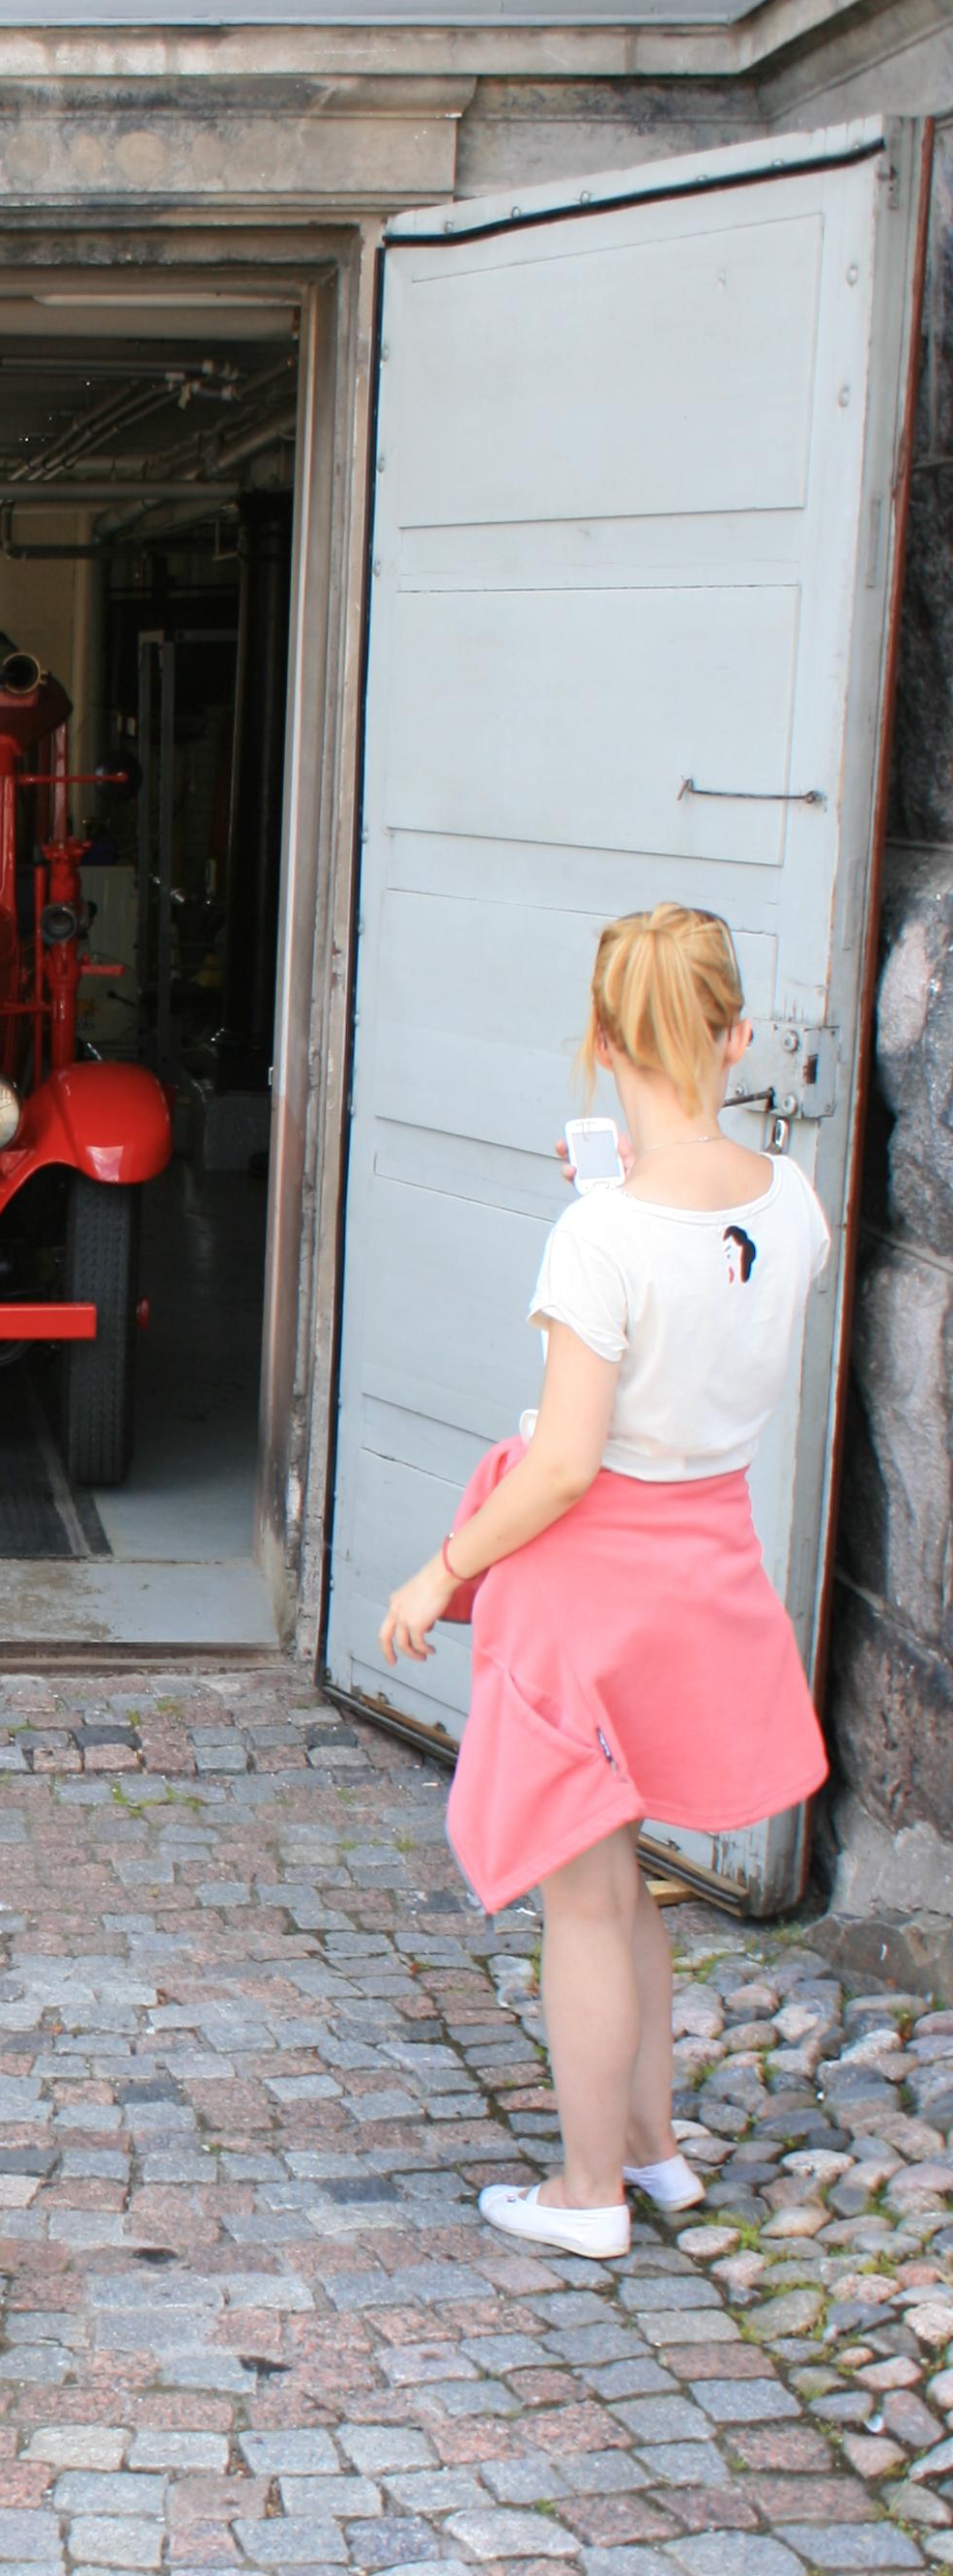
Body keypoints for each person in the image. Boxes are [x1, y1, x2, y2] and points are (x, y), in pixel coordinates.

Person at [380, 904, 830, 2260]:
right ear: (737, 1035)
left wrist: (442, 1565)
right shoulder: (792, 1201)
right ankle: (652, 2145)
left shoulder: (602, 1239)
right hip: (708, 1555)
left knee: (581, 1895)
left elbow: (566, 1464)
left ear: (600, 1037)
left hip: (588, 1585)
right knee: (626, 1877)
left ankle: (586, 2195)